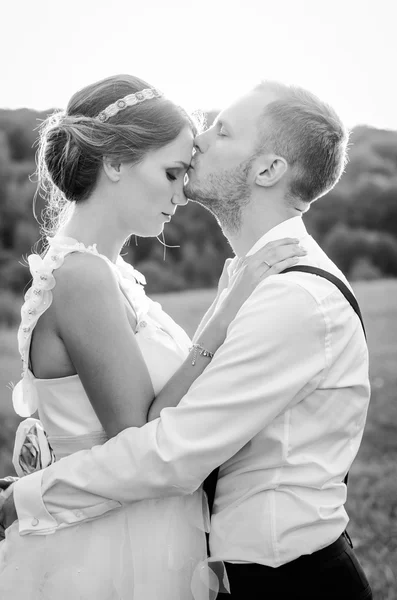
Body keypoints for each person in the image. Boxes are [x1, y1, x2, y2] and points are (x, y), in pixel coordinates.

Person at [0, 80, 373, 600]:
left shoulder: (292, 296)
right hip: (125, 547)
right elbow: (153, 432)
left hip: (288, 579)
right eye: (171, 169)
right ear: (114, 163)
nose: (200, 142)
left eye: (222, 131)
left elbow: (170, 450)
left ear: (267, 170)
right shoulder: (96, 276)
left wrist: (29, 494)